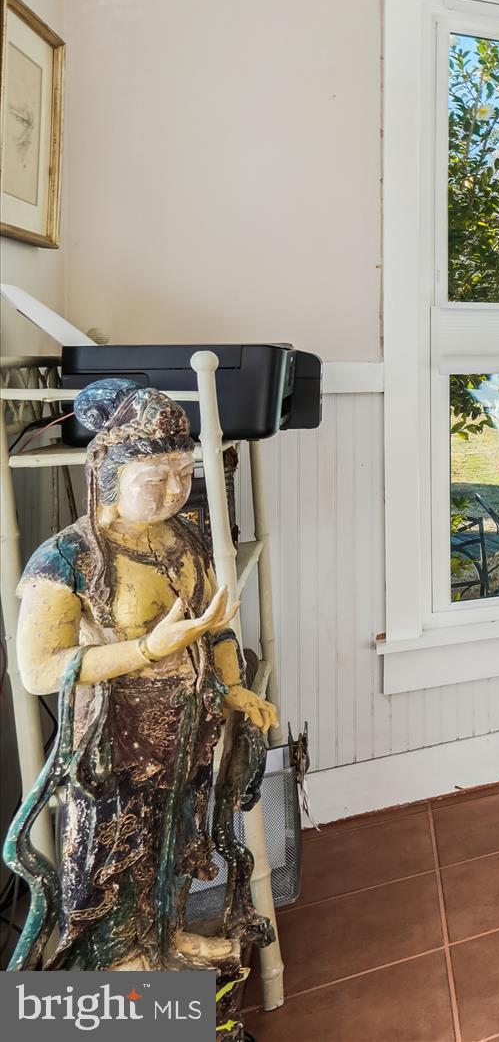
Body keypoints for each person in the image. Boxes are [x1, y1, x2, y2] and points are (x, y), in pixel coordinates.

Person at [5, 381, 275, 977]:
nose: (175, 490)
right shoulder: (68, 557)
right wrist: (147, 649)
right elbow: (37, 669)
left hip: (186, 729)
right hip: (115, 739)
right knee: (111, 850)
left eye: (185, 473)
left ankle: (166, 933)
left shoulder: (184, 540)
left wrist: (232, 689)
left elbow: (217, 629)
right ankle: (118, 957)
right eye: (157, 477)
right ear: (109, 473)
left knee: (173, 837)